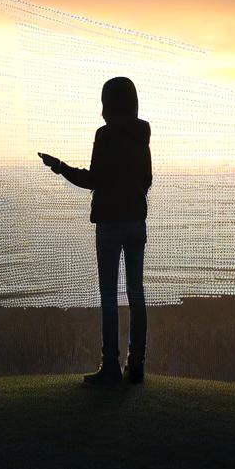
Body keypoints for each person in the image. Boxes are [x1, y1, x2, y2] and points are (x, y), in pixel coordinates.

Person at [38, 77, 153, 386]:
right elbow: (147, 179)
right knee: (136, 294)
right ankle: (137, 364)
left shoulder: (105, 134)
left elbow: (93, 180)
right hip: (135, 222)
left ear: (109, 103)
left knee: (108, 296)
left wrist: (60, 166)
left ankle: (111, 366)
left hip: (109, 225)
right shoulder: (143, 132)